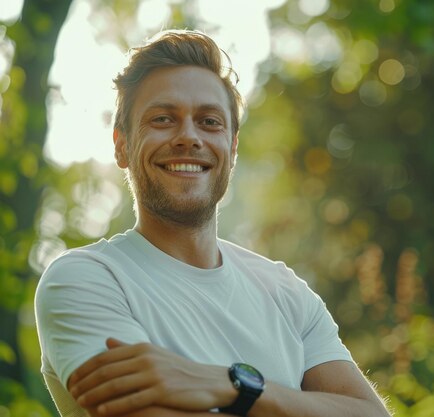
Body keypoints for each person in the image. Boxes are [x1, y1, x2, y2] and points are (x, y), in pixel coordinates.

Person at [34, 29, 391, 417]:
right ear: (121, 144)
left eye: (209, 121)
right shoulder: (87, 280)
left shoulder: (285, 292)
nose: (188, 137)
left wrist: (229, 385)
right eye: (163, 118)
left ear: (232, 147)